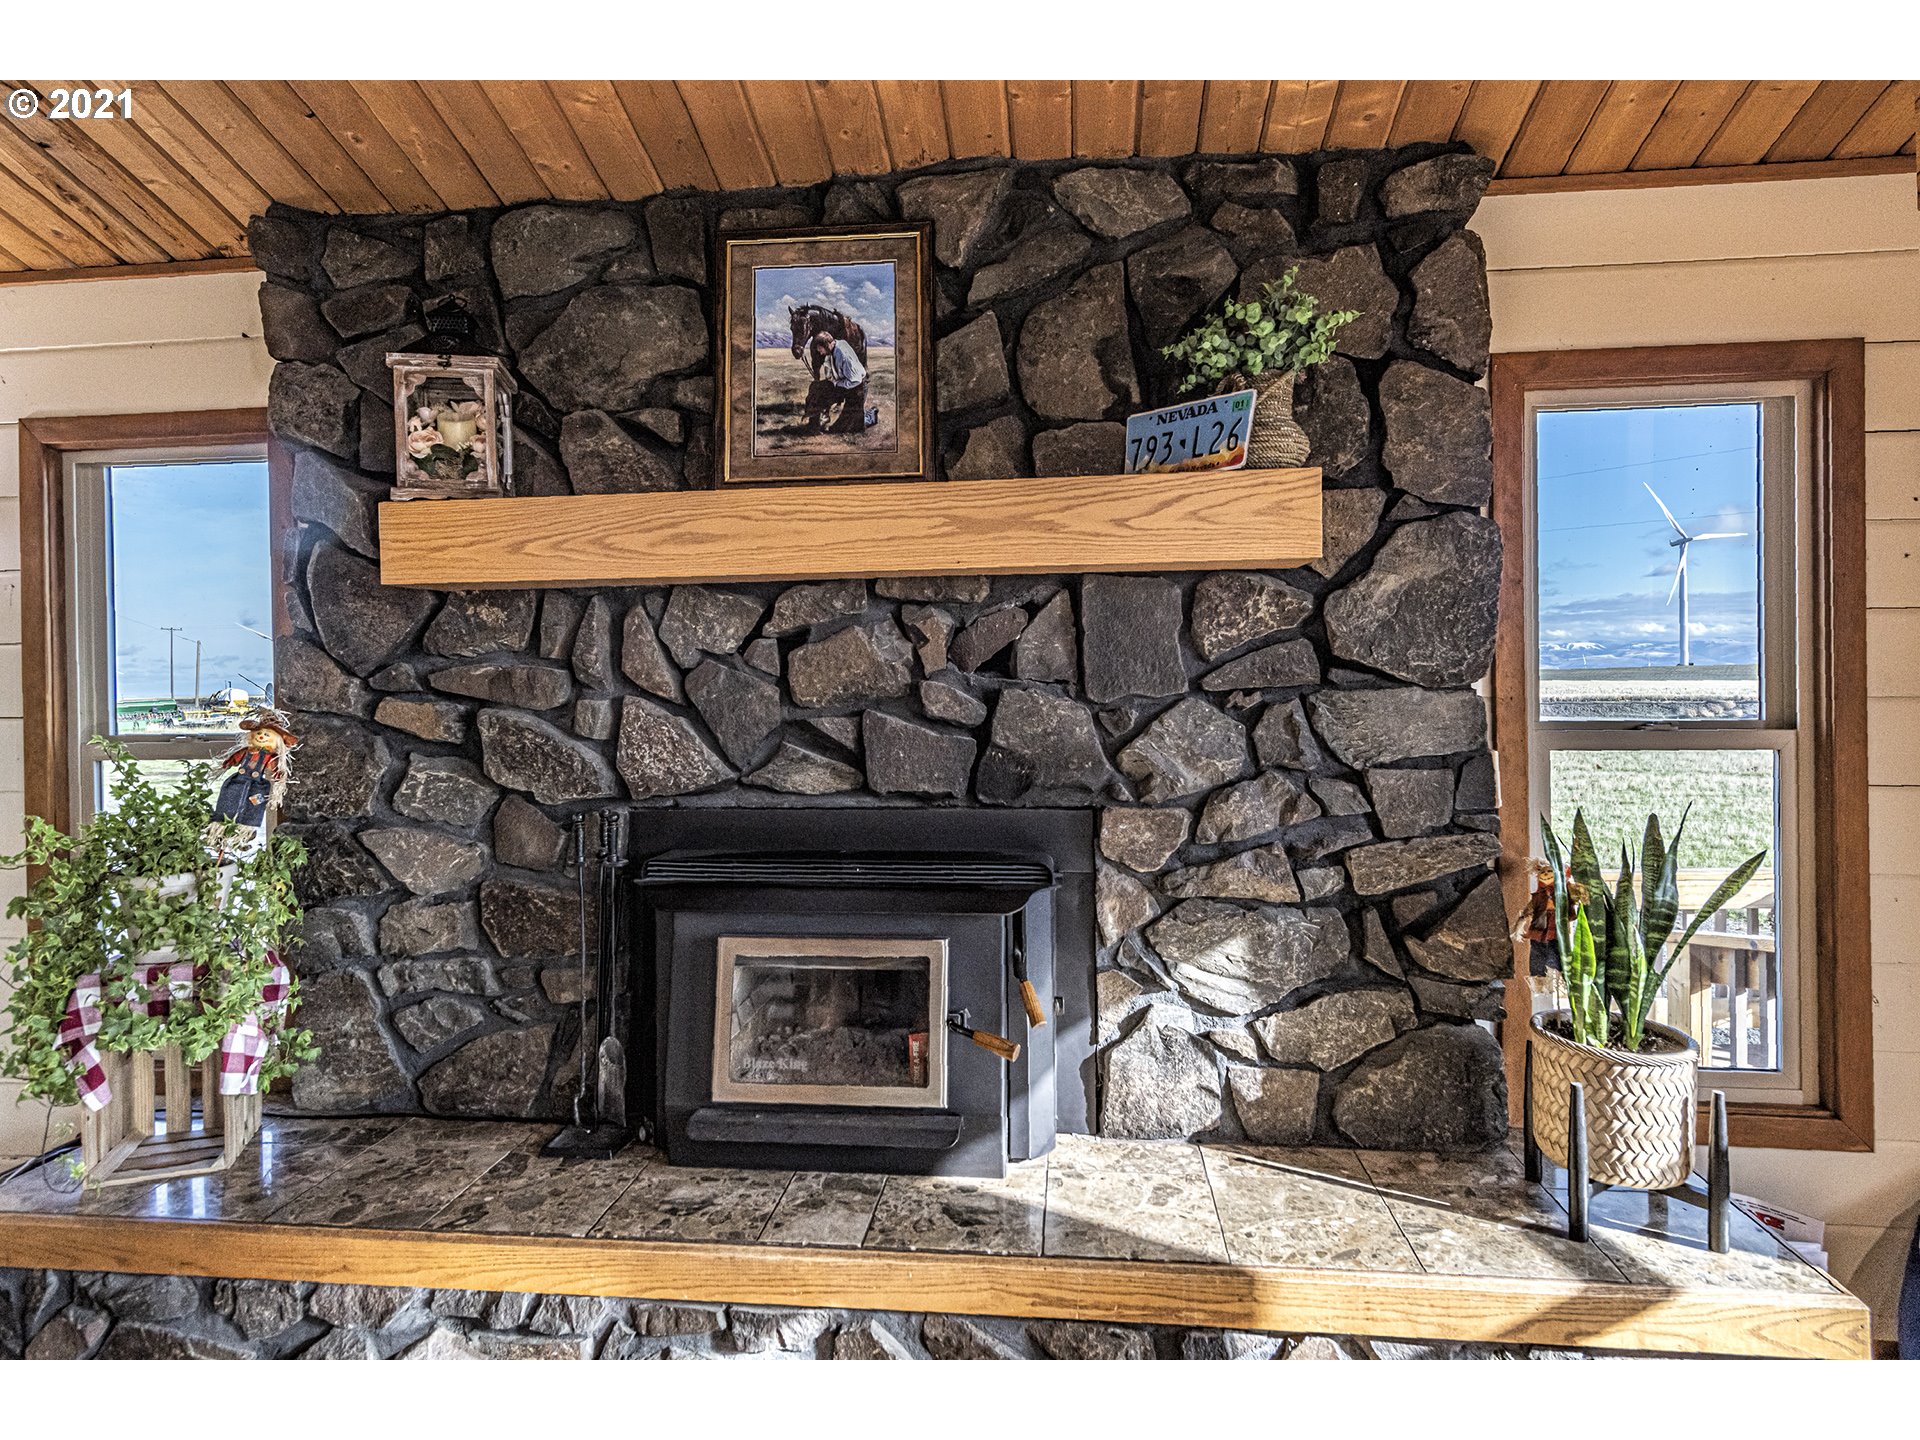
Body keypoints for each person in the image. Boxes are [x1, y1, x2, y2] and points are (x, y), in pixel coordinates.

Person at [803, 329, 869, 434]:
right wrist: (831, 380)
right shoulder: (833, 346)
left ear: (827, 345)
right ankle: (814, 425)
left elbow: (855, 380)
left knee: (844, 429)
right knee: (816, 387)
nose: (819, 352)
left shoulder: (844, 355)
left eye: (820, 349)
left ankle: (868, 417)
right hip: (844, 383)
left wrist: (837, 384)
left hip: (857, 389)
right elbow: (830, 365)